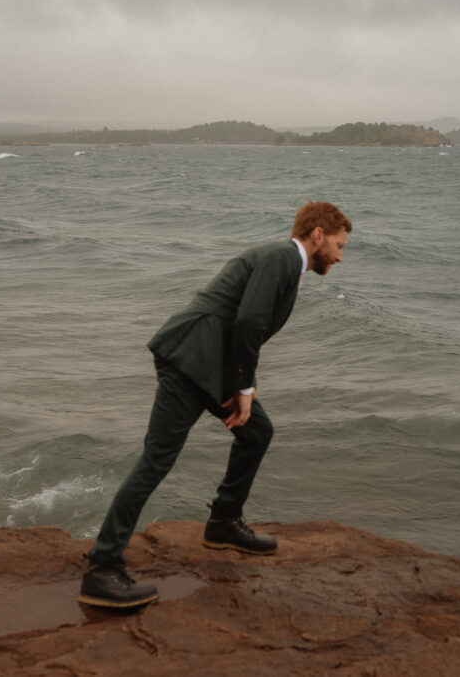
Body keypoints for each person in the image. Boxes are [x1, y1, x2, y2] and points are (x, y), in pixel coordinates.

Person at [79, 201, 352, 609]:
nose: (340, 256)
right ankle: (102, 568)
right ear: (317, 235)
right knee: (156, 460)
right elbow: (248, 323)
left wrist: (245, 388)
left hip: (210, 361)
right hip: (191, 358)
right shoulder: (281, 257)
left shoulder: (285, 264)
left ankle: (223, 522)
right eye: (338, 244)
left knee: (256, 431)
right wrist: (243, 388)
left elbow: (244, 326)